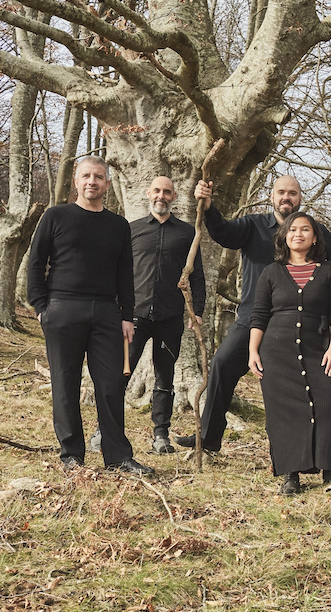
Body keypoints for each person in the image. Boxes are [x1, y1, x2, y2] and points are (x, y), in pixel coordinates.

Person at [175, 176, 331, 452]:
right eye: (281, 192)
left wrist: (316, 287)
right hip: (252, 318)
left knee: (298, 385)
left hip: (296, 325)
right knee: (222, 364)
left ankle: (305, 448)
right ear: (272, 197)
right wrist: (208, 206)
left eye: (292, 193)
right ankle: (208, 438)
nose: (286, 197)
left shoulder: (312, 231)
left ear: (300, 198)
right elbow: (223, 233)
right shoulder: (253, 225)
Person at [27, 156, 154, 476]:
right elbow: (35, 262)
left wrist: (127, 316)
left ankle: (118, 457)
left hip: (107, 313)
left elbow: (126, 274)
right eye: (86, 176)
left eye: (98, 177)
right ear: (76, 180)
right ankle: (72, 455)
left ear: (107, 184)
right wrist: (41, 307)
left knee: (111, 386)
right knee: (65, 384)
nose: (92, 182)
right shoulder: (55, 216)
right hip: (62, 308)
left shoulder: (119, 225)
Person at [90, 176, 206, 454]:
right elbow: (116, 271)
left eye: (167, 192)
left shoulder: (187, 233)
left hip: (170, 318)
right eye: (157, 191)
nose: (161, 196)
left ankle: (160, 435)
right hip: (133, 317)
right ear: (148, 193)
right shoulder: (131, 230)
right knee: (119, 376)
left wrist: (198, 312)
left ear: (174, 196)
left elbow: (198, 275)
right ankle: (104, 431)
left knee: (165, 378)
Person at [248, 212, 331, 494]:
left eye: (305, 229)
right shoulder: (271, 272)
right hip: (277, 351)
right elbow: (259, 315)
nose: (298, 234)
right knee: (284, 413)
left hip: (318, 347)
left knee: (329, 402)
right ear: (284, 236)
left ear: (315, 237)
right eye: (292, 229)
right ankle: (290, 475)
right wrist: (253, 350)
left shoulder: (330, 271)